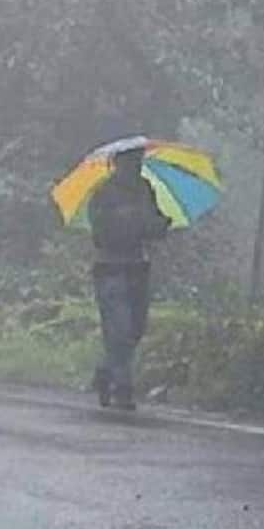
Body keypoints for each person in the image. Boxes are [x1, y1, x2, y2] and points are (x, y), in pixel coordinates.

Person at [89, 147, 172, 410]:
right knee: (119, 328)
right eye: (130, 162)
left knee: (136, 328)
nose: (135, 167)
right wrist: (126, 222)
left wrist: (159, 225)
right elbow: (99, 233)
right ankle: (122, 386)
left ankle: (105, 371)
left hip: (137, 266)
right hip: (110, 267)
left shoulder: (145, 189)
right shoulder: (103, 192)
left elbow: (153, 222)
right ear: (117, 164)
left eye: (138, 162)